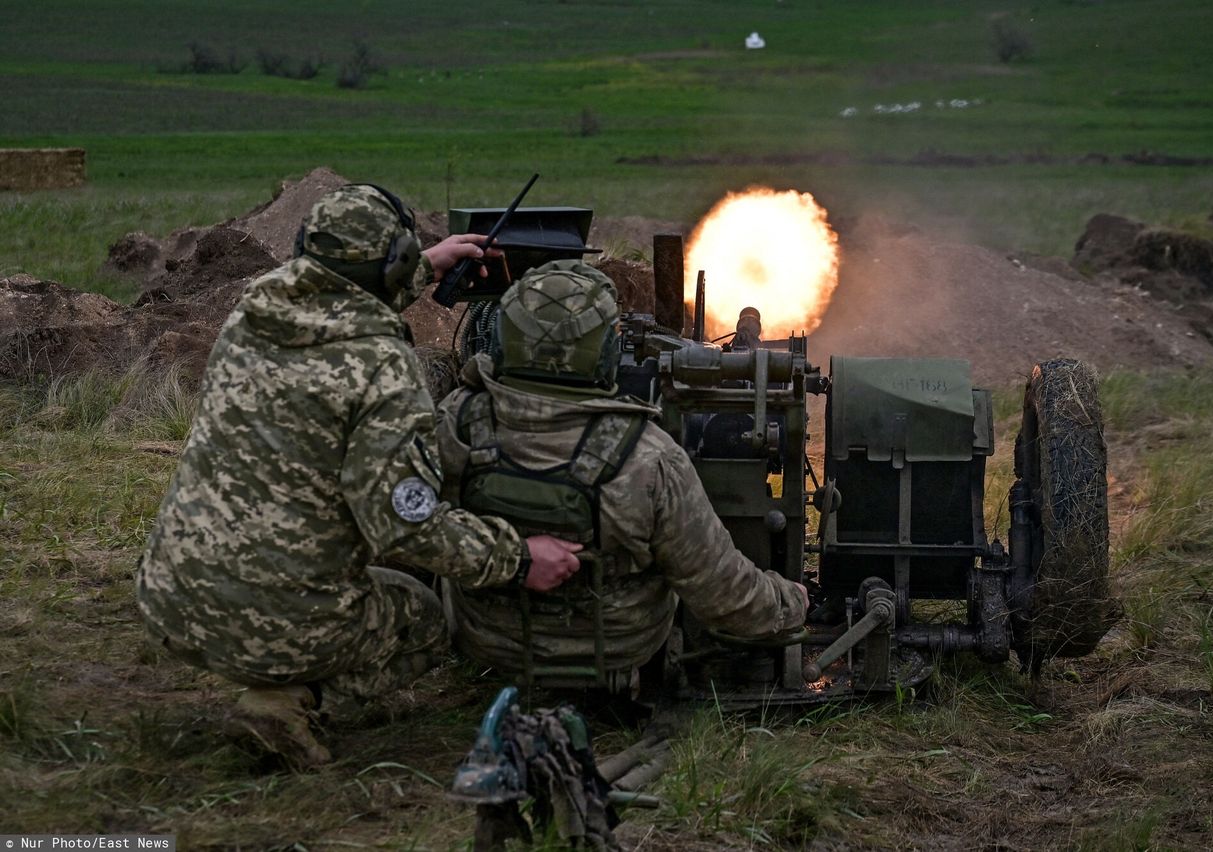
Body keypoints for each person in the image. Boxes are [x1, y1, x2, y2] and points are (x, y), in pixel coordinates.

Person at [136, 184, 581, 768]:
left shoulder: (254, 309)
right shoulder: (383, 371)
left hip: (170, 597)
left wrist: (423, 268)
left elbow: (336, 300)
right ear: (391, 262)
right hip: (263, 624)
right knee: (426, 615)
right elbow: (406, 527)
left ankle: (274, 675)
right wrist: (520, 558)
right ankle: (289, 699)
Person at [435, 259, 808, 689]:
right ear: (605, 354)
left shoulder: (455, 422)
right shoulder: (649, 458)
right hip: (611, 648)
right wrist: (789, 602)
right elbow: (724, 594)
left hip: (486, 642)